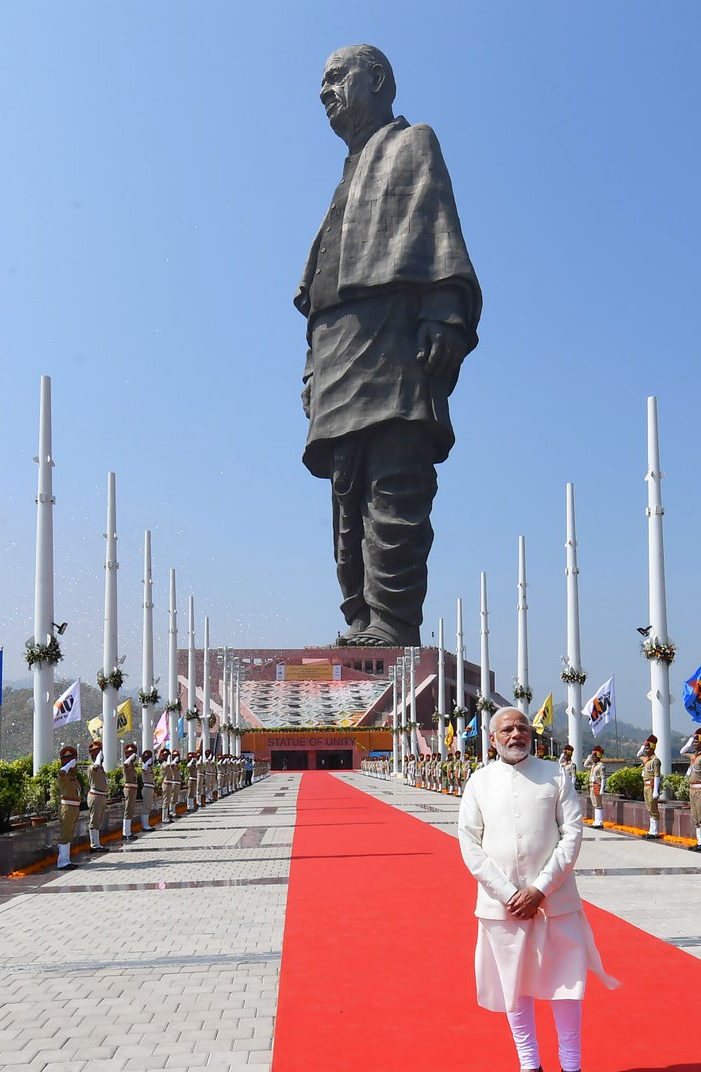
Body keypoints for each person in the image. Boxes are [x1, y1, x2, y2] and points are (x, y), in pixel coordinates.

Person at [295, 44, 481, 648]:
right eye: (319, 84)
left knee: (396, 479)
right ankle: (360, 617)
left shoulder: (412, 144)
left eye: (334, 78)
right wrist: (309, 370)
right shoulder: (345, 177)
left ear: (375, 79)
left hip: (394, 343)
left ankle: (394, 623)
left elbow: (437, 230)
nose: (325, 92)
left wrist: (446, 314)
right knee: (346, 493)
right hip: (337, 354)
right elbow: (319, 287)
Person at [458, 708, 617, 1072]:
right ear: (492, 739)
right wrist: (508, 892)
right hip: (501, 906)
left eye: (522, 728)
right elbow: (469, 844)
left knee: (566, 986)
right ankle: (529, 1068)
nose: (516, 734)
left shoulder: (556, 774)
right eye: (507, 729)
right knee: (515, 988)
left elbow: (572, 834)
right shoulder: (479, 782)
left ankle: (573, 1069)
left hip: (555, 902)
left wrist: (540, 890)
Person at [683, 726, 701, 852]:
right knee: (695, 816)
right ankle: (699, 841)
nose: (694, 744)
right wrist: (689, 742)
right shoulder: (694, 757)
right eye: (694, 742)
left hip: (700, 790)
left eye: (697, 741)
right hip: (692, 790)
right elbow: (682, 752)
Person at [56, 745, 82, 871]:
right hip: (67, 807)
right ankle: (62, 862)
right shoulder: (64, 775)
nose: (74, 764)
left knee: (69, 834)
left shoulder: (73, 777)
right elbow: (61, 772)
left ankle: (67, 860)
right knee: (65, 834)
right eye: (72, 761)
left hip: (74, 808)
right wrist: (69, 764)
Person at [86, 740, 110, 854]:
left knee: (98, 820)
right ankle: (94, 844)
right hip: (95, 796)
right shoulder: (93, 768)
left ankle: (97, 843)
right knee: (94, 820)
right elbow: (95, 767)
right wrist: (98, 758)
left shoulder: (100, 769)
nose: (102, 757)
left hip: (101, 796)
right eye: (100, 754)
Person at [638, 734, 663, 840]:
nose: (645, 749)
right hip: (646, 786)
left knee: (653, 809)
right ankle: (651, 830)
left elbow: (657, 775)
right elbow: (639, 754)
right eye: (645, 748)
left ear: (652, 748)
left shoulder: (655, 760)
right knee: (649, 809)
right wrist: (643, 747)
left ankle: (655, 831)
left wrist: (656, 791)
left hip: (652, 787)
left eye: (648, 748)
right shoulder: (647, 760)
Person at [584, 746, 606, 829]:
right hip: (592, 786)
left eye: (594, 757)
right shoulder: (593, 765)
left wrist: (602, 789)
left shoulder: (601, 766)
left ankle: (599, 821)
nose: (592, 758)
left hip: (597, 785)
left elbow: (603, 777)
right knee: (594, 804)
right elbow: (585, 765)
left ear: (598, 756)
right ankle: (596, 821)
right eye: (592, 757)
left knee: (598, 804)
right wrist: (588, 758)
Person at [122, 743, 139, 841]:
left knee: (131, 809)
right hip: (129, 788)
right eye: (130, 753)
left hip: (133, 789)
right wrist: (131, 756)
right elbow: (125, 763)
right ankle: (126, 832)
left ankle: (128, 831)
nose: (133, 756)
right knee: (128, 810)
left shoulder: (131, 765)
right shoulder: (127, 764)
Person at [139, 749, 155, 831]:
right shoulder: (144, 766)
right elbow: (144, 768)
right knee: (146, 807)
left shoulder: (150, 767)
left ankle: (147, 824)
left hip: (151, 788)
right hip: (146, 788)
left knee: (148, 807)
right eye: (148, 757)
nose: (150, 759)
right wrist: (147, 761)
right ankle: (144, 825)